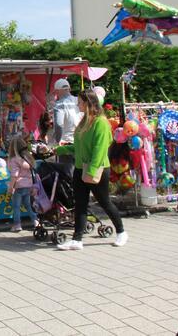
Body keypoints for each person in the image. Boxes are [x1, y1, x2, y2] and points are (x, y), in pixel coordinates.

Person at [55, 88, 128, 250]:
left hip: (97, 169)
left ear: (89, 103)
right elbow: (80, 147)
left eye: (80, 102)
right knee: (80, 204)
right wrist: (61, 149)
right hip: (81, 168)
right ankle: (77, 240)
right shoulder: (83, 122)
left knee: (104, 202)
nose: (78, 104)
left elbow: (100, 149)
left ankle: (121, 232)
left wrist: (93, 170)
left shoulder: (101, 122)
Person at [7, 136, 39, 232]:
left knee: (16, 206)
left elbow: (14, 175)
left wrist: (11, 187)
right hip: (29, 185)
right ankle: (35, 220)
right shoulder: (28, 158)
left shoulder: (14, 160)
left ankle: (17, 224)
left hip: (19, 186)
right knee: (28, 205)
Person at [52, 78, 80, 145]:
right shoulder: (79, 100)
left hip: (66, 142)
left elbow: (59, 124)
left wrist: (57, 141)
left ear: (57, 91)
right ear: (69, 89)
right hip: (80, 140)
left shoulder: (59, 104)